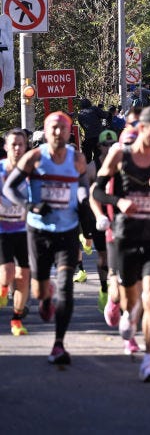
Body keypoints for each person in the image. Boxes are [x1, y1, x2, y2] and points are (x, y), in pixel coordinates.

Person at [92, 106, 150, 382]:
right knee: (131, 299)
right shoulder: (120, 155)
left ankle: (149, 361)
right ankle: (129, 317)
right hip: (126, 235)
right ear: (141, 128)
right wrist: (119, 202)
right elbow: (96, 190)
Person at [2, 112, 88, 365]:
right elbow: (9, 187)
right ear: (46, 131)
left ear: (69, 130)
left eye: (63, 128)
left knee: (66, 286)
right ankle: (45, 298)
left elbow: (82, 185)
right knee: (39, 289)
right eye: (54, 128)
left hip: (68, 229)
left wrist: (83, 201)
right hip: (38, 231)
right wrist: (30, 205)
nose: (58, 132)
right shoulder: (35, 157)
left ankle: (59, 345)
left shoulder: (78, 159)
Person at [0, 129, 30, 336]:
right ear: (6, 148)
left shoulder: (32, 172)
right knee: (8, 272)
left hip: (24, 229)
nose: (18, 148)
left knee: (23, 277)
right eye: (14, 145)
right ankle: (2, 289)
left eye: (21, 144)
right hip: (2, 228)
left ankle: (16, 320)